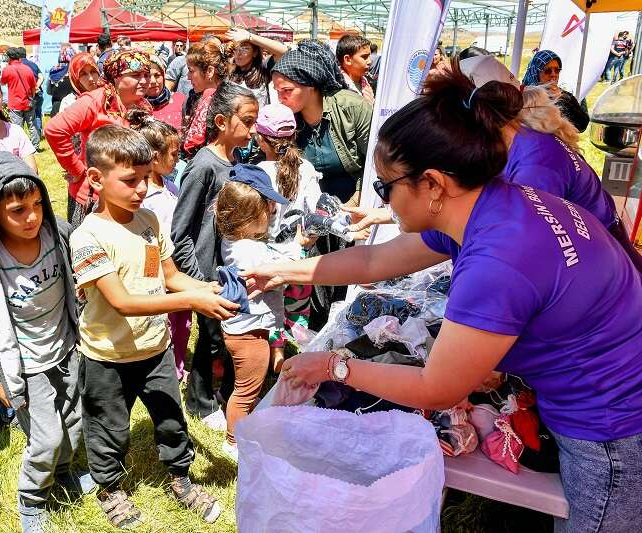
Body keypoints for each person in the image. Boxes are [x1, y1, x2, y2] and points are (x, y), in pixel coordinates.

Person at [245, 67, 642, 533]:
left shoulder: (499, 258)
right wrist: (279, 270)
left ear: (432, 184)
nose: (384, 200)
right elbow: (376, 262)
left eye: (385, 185)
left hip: (612, 425)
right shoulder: (493, 205)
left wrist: (333, 365)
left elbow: (439, 389)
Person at [70, 125, 233, 529]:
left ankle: (180, 478)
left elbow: (170, 275)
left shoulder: (148, 220)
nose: (142, 188)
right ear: (95, 178)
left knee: (170, 417)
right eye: (130, 180)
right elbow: (122, 302)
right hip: (107, 356)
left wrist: (205, 288)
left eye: (146, 176)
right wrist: (191, 301)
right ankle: (109, 487)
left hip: (155, 348)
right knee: (108, 427)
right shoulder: (88, 236)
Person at [0, 152, 92, 533]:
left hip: (68, 348)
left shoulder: (61, 234)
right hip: (25, 365)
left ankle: (64, 472)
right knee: (46, 438)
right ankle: (32, 499)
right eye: (18, 210)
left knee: (74, 423)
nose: (32, 217)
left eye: (37, 205)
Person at [457, 56, 642, 270]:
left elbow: (521, 245)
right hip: (596, 261)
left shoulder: (535, 161)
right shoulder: (519, 143)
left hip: (607, 272)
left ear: (481, 113)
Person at [171, 82, 259, 427]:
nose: (253, 131)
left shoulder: (236, 160)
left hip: (229, 268)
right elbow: (180, 232)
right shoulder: (203, 166)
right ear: (221, 121)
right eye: (247, 122)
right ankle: (200, 402)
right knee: (209, 339)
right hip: (206, 273)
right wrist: (197, 280)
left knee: (225, 336)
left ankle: (221, 390)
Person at [271, 40, 372, 328]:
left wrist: (353, 204)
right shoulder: (288, 121)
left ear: (311, 84)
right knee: (314, 281)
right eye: (277, 91)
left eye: (287, 91)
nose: (280, 98)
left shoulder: (351, 108)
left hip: (354, 211)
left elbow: (375, 165)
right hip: (310, 217)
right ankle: (314, 338)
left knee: (347, 284)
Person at [215, 165, 288, 462]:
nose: (271, 213)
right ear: (248, 219)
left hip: (240, 329)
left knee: (244, 388)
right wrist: (302, 246)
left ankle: (243, 430)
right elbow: (282, 265)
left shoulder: (236, 242)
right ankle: (233, 443)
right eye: (266, 209)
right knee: (246, 391)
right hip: (249, 334)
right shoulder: (250, 251)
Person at [45, 49, 151, 227]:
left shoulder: (143, 105)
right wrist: (78, 170)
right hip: (93, 198)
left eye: (146, 74)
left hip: (129, 195)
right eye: (135, 75)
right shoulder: (95, 101)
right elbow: (55, 130)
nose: (144, 81)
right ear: (116, 77)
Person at [255, 103, 322, 358]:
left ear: (261, 139)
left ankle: (276, 355)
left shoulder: (259, 173)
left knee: (272, 311)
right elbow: (318, 210)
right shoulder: (305, 168)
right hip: (299, 256)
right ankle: (299, 357)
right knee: (298, 311)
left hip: (267, 257)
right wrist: (307, 239)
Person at [128, 111, 189, 380]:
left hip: (176, 264)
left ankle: (177, 364)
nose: (178, 159)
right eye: (174, 154)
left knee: (182, 321)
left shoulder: (172, 187)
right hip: (155, 266)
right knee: (161, 319)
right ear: (154, 156)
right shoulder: (143, 197)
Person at [522, 50, 590, 133]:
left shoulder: (565, 95)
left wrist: (560, 99)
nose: (553, 74)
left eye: (557, 70)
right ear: (536, 72)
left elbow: (582, 125)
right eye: (548, 71)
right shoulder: (525, 96)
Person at [182, 39, 228, 158]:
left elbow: (192, 144)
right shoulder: (228, 94)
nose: (188, 77)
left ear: (209, 71)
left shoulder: (210, 98)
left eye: (191, 71)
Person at [1, 48, 40, 151]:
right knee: (32, 126)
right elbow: (33, 87)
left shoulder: (7, 69)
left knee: (17, 128)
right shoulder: (28, 69)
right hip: (28, 102)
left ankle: (19, 148)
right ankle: (35, 148)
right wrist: (31, 97)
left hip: (15, 103)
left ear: (9, 58)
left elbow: (2, 82)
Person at [146, 55, 185, 129]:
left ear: (163, 76)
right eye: (147, 76)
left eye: (157, 75)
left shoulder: (180, 100)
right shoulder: (135, 105)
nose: (153, 81)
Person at [335, 34, 375, 103]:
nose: (369, 61)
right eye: (364, 57)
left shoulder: (368, 85)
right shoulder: (336, 88)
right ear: (347, 60)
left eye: (369, 56)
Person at [17, 47, 45, 146]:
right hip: (37, 93)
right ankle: (38, 135)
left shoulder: (18, 66)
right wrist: (37, 86)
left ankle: (24, 141)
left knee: (25, 119)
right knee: (37, 115)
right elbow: (42, 77)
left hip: (26, 95)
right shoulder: (33, 64)